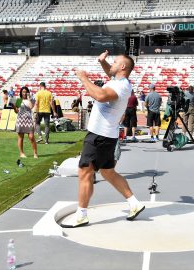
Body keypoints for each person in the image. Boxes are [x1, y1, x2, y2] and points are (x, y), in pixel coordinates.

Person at [61, 50, 145, 228]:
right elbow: (110, 73)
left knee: (84, 172)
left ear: (122, 66)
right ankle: (134, 203)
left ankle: (81, 215)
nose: (111, 64)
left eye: (114, 62)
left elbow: (99, 95)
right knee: (108, 172)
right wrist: (102, 62)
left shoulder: (120, 87)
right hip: (107, 135)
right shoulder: (122, 82)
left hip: (99, 135)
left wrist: (83, 78)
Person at [13, 86, 38, 158]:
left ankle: (35, 153)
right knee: (20, 137)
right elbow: (16, 111)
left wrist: (29, 98)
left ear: (28, 92)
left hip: (29, 120)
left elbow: (30, 107)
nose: (24, 93)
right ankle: (21, 153)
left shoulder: (31, 99)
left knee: (31, 137)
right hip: (20, 120)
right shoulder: (18, 100)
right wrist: (14, 107)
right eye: (23, 92)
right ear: (21, 92)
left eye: (25, 92)